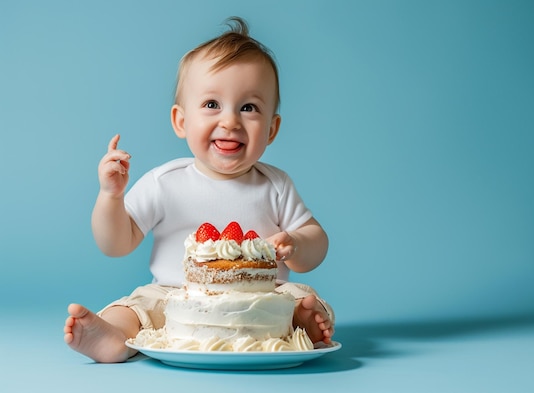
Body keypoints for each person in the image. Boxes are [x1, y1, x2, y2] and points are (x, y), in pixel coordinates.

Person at [63, 17, 334, 363]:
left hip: (261, 300)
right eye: (211, 105)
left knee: (302, 296)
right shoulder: (165, 182)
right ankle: (113, 335)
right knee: (138, 306)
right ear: (181, 120)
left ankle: (301, 324)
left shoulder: (275, 184)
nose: (230, 121)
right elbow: (115, 243)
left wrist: (297, 243)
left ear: (271, 129)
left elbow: (317, 240)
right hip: (175, 297)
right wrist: (110, 197)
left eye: (249, 107)